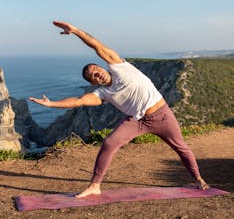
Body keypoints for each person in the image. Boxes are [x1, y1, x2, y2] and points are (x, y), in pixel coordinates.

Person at [29, 21, 209, 197]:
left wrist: (75, 31)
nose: (96, 73)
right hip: (137, 121)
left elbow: (97, 46)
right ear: (93, 82)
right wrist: (52, 104)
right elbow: (78, 101)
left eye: (96, 69)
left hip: (162, 115)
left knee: (181, 148)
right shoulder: (102, 93)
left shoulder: (119, 66)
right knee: (109, 143)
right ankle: (95, 186)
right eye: (93, 76)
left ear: (102, 66)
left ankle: (198, 179)